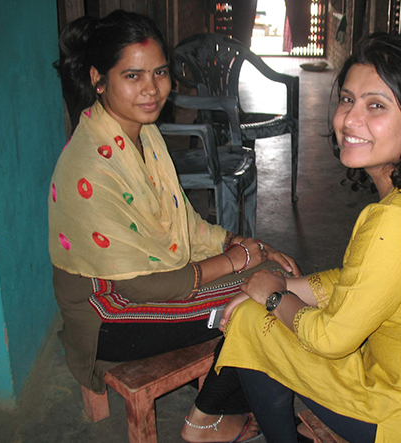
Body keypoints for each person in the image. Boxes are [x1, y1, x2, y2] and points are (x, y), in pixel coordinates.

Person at [217, 33, 401, 443]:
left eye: (376, 105)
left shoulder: (399, 220)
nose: (349, 120)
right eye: (347, 99)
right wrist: (281, 283)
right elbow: (361, 280)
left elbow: (331, 339)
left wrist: (271, 297)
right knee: (268, 308)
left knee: (252, 322)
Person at [50, 10, 299, 443]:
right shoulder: (91, 166)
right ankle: (208, 418)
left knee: (275, 281)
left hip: (146, 287)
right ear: (98, 78)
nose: (152, 89)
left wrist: (243, 242)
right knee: (263, 299)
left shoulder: (142, 135)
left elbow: (184, 221)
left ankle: (226, 404)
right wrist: (234, 261)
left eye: (160, 73)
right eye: (133, 75)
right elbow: (142, 287)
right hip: (109, 315)